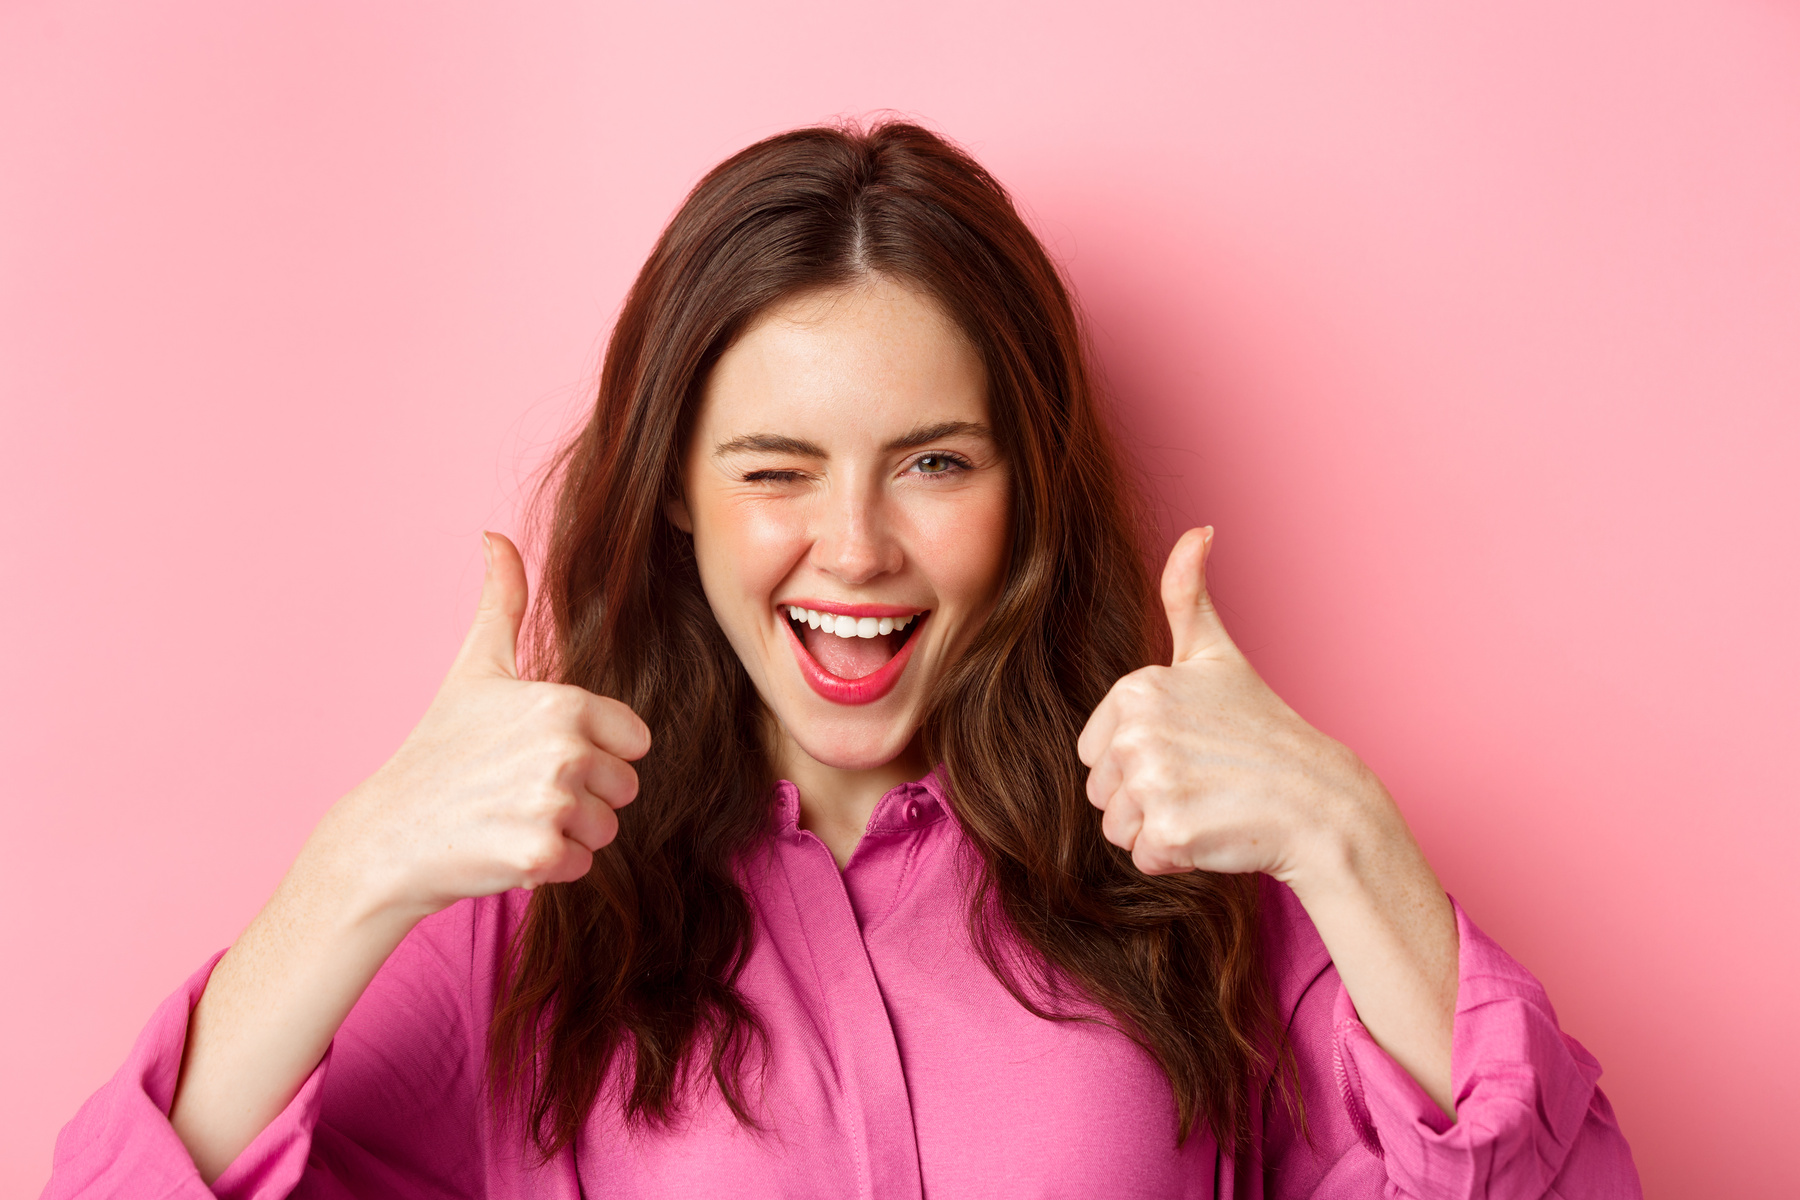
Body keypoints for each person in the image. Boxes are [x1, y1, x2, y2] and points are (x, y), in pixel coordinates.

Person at [43, 121, 1641, 1199]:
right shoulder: (519, 925)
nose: (858, 548)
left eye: (935, 463)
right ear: (675, 485)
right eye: (775, 468)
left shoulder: (1192, 880)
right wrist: (354, 873)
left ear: (1027, 489)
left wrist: (1351, 842)